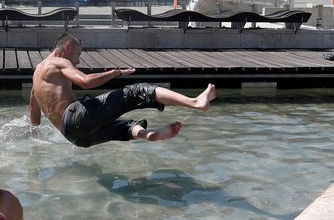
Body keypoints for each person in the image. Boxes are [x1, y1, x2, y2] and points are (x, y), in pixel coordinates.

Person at [29, 33, 215, 147]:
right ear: (67, 47)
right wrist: (115, 72)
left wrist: (35, 135)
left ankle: (148, 134)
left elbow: (34, 109)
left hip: (73, 137)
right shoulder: (59, 62)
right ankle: (195, 102)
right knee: (136, 92)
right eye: (78, 54)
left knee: (123, 126)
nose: (77, 61)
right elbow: (85, 81)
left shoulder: (37, 73)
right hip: (76, 117)